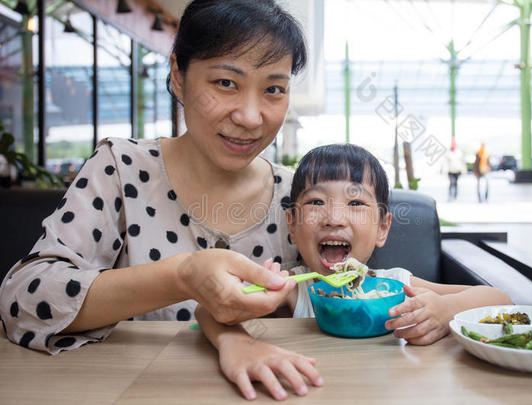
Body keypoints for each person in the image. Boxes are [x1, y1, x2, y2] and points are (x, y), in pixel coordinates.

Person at [0, 0, 310, 363]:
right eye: (225, 83)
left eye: (273, 89)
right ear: (178, 75)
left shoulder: (299, 195)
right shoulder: (120, 167)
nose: (250, 116)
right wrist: (182, 276)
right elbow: (23, 300)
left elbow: (349, 290)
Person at [195, 143, 512, 400]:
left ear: (382, 227)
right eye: (316, 201)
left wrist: (446, 310)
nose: (334, 217)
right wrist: (239, 344)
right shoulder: (293, 288)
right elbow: (209, 308)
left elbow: (500, 299)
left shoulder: (399, 285)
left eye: (356, 203)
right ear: (292, 224)